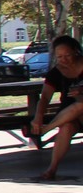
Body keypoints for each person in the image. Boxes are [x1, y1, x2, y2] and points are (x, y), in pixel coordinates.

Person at [31, 34, 83, 180]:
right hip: (67, 114)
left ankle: (47, 129)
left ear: (75, 52)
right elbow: (45, 97)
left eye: (67, 55)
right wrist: (38, 117)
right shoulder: (55, 73)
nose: (64, 60)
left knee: (81, 103)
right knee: (66, 127)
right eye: (59, 57)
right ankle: (52, 168)